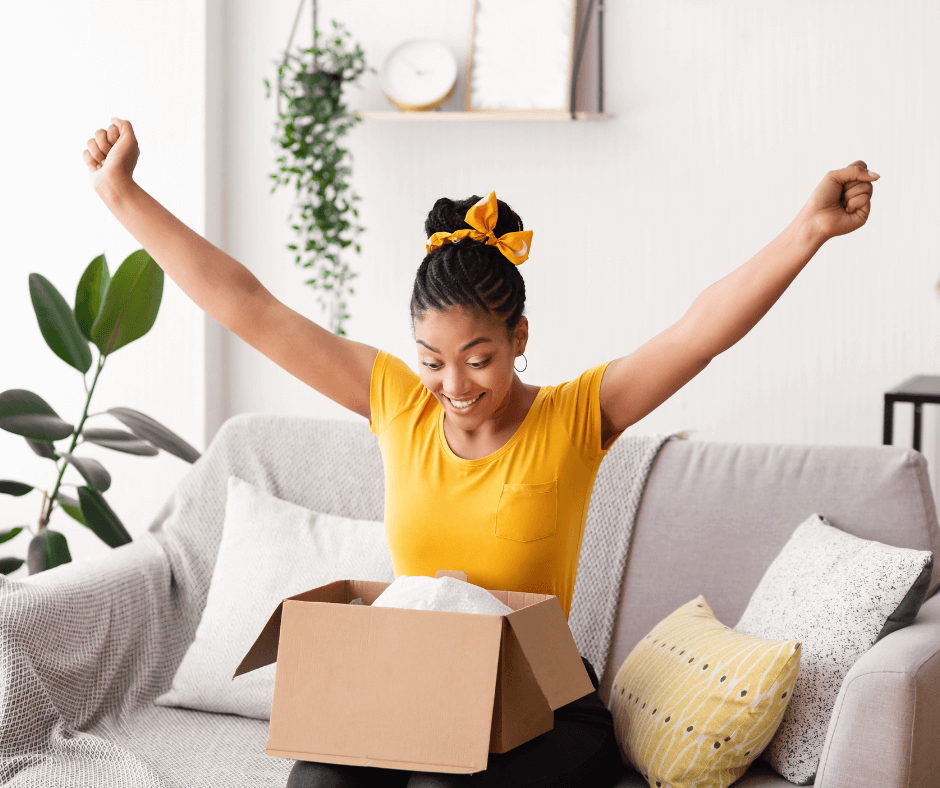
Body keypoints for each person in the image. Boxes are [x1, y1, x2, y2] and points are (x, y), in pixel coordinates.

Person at [83, 117, 878, 788]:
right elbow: (249, 305)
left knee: (443, 780)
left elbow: (700, 331)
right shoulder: (394, 399)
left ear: (518, 339)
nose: (454, 384)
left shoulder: (578, 416)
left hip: (546, 703)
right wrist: (123, 195)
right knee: (317, 777)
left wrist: (807, 230)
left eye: (478, 358)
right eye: (431, 359)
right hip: (409, 683)